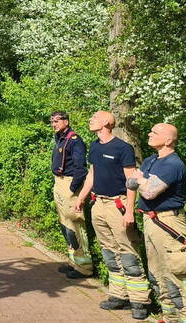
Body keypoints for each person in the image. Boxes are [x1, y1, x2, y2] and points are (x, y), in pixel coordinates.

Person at [74, 111, 152, 320]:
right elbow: (92, 173)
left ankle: (139, 301)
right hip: (98, 204)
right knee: (109, 251)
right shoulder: (95, 146)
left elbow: (131, 181)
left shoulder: (123, 148)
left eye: (95, 117)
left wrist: (129, 210)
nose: (90, 119)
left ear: (107, 122)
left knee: (127, 251)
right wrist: (81, 197)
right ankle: (118, 296)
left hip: (117, 206)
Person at [131, 123, 186, 323]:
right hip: (151, 220)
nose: (149, 133)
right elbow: (130, 183)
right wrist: (142, 180)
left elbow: (149, 192)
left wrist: (140, 179)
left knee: (177, 274)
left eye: (155, 132)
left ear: (169, 140)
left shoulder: (173, 164)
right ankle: (170, 317)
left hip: (169, 222)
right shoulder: (151, 160)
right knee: (157, 273)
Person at [49, 111, 93, 279]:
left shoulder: (75, 140)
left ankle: (85, 268)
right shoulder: (60, 138)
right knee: (66, 225)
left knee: (75, 225)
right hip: (59, 182)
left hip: (69, 184)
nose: (54, 124)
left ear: (66, 122)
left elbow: (80, 168)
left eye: (57, 121)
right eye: (52, 121)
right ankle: (74, 262)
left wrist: (72, 189)